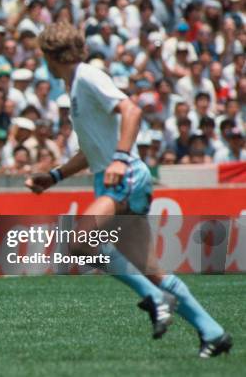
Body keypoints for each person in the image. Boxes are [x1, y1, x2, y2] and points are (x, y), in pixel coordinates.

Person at [26, 22, 231, 358]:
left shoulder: (88, 76)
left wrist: (120, 159)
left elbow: (131, 110)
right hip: (111, 177)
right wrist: (55, 175)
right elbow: (90, 149)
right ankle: (213, 332)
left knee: (78, 242)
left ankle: (154, 299)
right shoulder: (75, 86)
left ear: (51, 54)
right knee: (151, 269)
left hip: (123, 176)